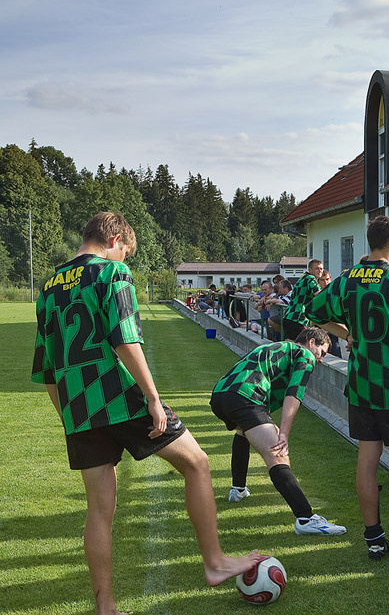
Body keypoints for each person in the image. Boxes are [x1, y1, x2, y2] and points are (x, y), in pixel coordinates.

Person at [31, 212, 260, 615]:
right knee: (197, 464)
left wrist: (67, 416)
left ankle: (106, 608)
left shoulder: (47, 288)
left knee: (99, 510)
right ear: (114, 239)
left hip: (77, 408)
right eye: (126, 252)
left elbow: (47, 368)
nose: (125, 261)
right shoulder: (112, 273)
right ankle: (215, 563)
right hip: (120, 397)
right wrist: (153, 398)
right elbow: (126, 340)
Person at [305, 215, 389, 560]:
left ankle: (375, 539)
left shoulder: (346, 278)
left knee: (368, 459)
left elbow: (313, 311)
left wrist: (348, 333)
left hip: (361, 383)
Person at [209, 327, 346, 535]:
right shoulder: (305, 354)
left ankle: (238, 490)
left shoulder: (275, 347)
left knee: (243, 431)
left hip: (220, 396)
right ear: (311, 342)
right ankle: (306, 519)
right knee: (278, 454)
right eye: (322, 352)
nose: (320, 360)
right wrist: (284, 434)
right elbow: (294, 394)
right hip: (245, 397)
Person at [283, 259, 323, 340]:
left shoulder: (302, 278)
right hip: (298, 318)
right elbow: (319, 295)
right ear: (310, 269)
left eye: (321, 268)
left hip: (289, 316)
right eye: (317, 268)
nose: (320, 271)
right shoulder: (310, 278)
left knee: (290, 343)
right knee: (300, 344)